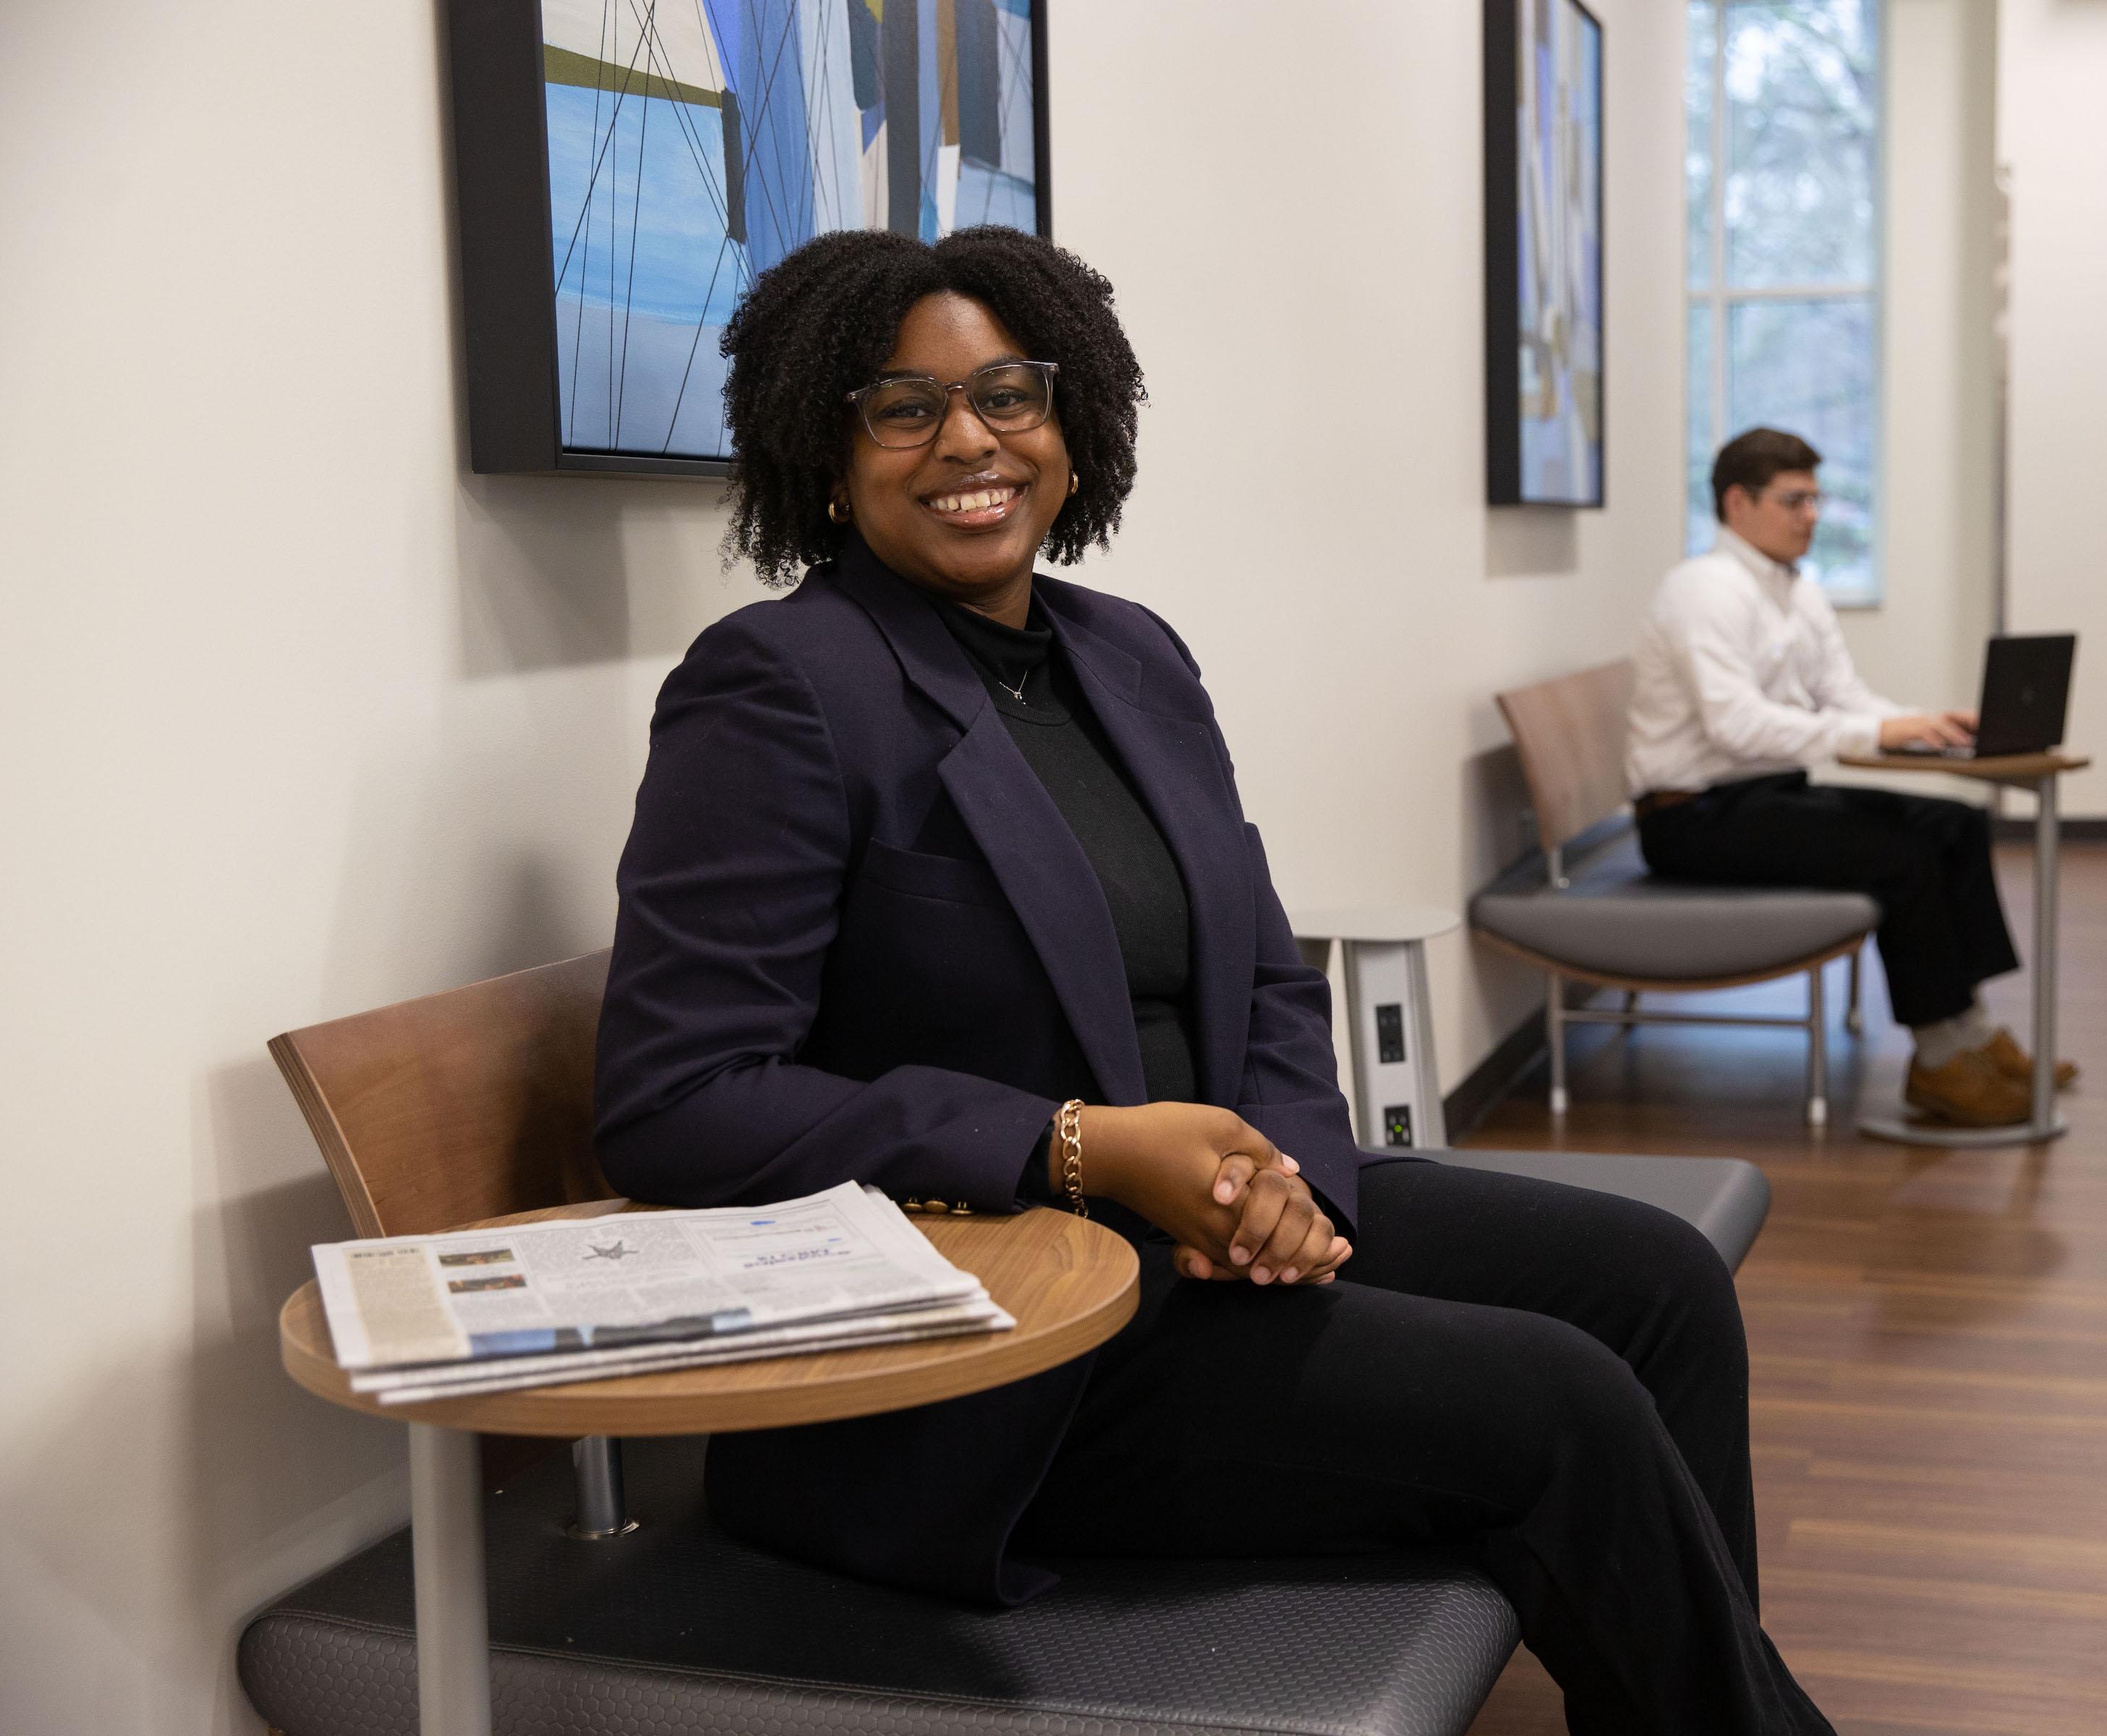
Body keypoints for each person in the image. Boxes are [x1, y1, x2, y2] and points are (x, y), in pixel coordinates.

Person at [592, 228, 1835, 1734]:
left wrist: (1293, 1183)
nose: (968, 440)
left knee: (1662, 1288)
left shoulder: (1131, 657)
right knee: (1562, 1407)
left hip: (1205, 1254)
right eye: (902, 407)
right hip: (1005, 1354)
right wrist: (1075, 1143)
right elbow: (680, 1101)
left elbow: (1261, 974)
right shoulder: (781, 685)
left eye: (1006, 391)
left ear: (1074, 418)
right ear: (825, 445)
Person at [1625, 427, 2075, 1127]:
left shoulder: (1794, 589)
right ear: (1738, 503)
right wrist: (1873, 733)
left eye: (1815, 500)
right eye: (1794, 500)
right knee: (1903, 855)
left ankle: (1975, 1036)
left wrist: (1926, 725)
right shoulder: (1702, 591)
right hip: (1691, 818)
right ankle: (1937, 1063)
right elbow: (1735, 725)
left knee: (1954, 822)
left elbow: (1842, 693)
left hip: (1764, 794)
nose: (1812, 516)